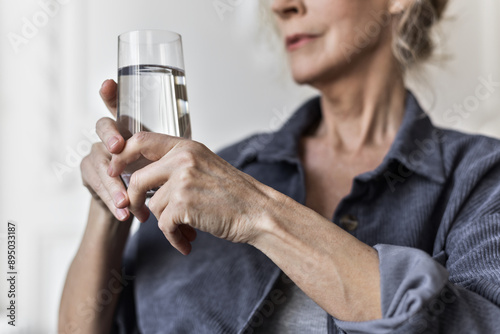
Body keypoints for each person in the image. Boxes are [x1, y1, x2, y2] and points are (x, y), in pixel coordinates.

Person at [59, 0, 500, 333]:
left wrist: (258, 213)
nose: (281, 5)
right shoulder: (203, 176)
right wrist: (111, 206)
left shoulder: (480, 177)